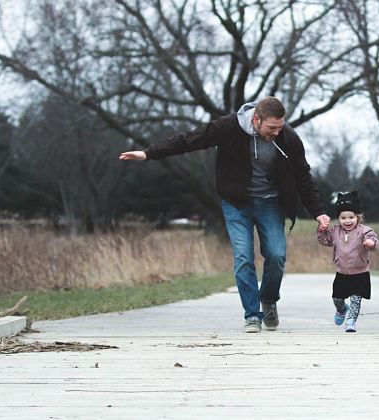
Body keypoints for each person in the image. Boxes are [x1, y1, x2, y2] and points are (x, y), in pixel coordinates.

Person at [119, 97, 330, 333]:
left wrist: (319, 213)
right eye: (272, 128)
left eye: (280, 126)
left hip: (270, 203)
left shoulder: (288, 137)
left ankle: (269, 299)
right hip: (236, 203)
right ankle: (252, 315)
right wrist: (148, 153)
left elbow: (303, 175)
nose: (277, 132)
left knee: (277, 255)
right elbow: (190, 140)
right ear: (256, 119)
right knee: (243, 258)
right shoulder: (228, 127)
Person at [317, 191, 379, 332]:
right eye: (343, 218)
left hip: (360, 273)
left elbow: (375, 242)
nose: (347, 221)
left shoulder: (364, 231)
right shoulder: (334, 232)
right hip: (342, 274)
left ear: (357, 217)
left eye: (351, 217)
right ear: (338, 219)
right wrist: (321, 231)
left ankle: (351, 322)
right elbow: (324, 240)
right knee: (337, 299)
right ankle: (341, 310)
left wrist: (371, 243)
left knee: (356, 300)